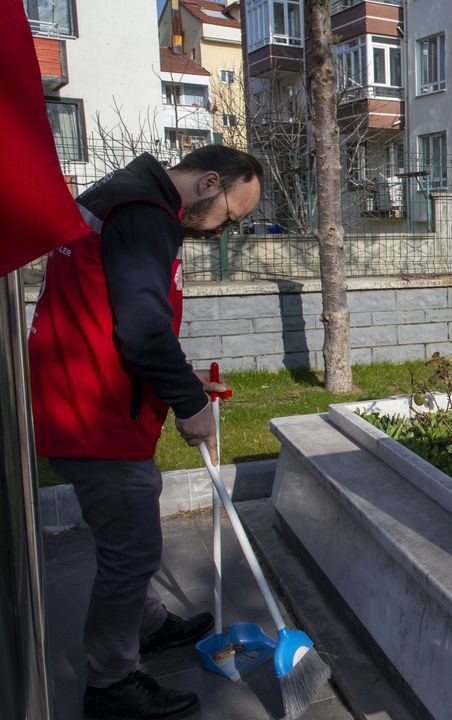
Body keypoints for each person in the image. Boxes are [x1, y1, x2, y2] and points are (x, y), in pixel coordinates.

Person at [28, 145, 262, 720]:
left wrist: (181, 378)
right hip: (94, 413)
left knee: (129, 530)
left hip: (86, 402)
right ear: (209, 182)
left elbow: (114, 314)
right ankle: (111, 683)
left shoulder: (127, 198)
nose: (223, 231)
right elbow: (140, 326)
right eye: (230, 216)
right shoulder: (143, 212)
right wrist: (189, 403)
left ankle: (149, 624)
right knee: (133, 552)